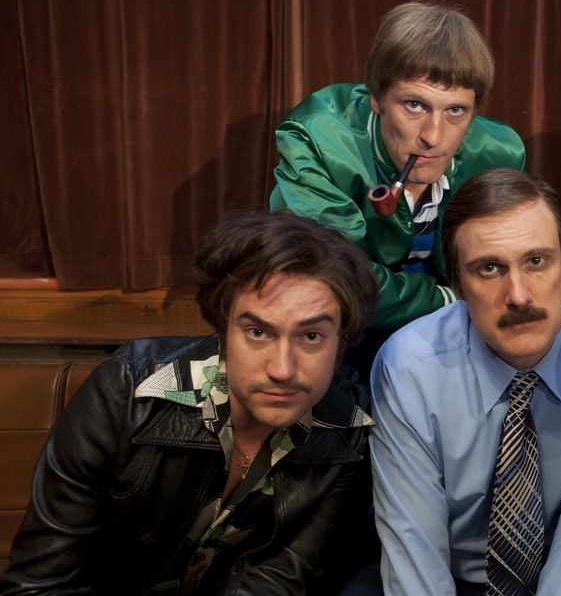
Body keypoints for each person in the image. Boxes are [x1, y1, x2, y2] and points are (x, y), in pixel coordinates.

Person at [0, 212, 381, 594]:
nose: (282, 369)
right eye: (257, 331)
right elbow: (39, 584)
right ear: (222, 330)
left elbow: (278, 580)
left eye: (311, 336)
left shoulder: (347, 431)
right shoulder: (128, 390)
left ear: (342, 341)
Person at [370, 168, 561, 595]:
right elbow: (417, 566)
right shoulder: (409, 370)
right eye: (489, 268)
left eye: (536, 262)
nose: (519, 295)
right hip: (455, 579)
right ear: (457, 285)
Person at [271, 2, 526, 330]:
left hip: (457, 332)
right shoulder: (317, 140)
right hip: (342, 333)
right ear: (376, 98)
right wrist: (450, 301)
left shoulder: (499, 154)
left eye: (455, 110)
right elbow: (333, 278)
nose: (433, 137)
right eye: (415, 105)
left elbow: (502, 268)